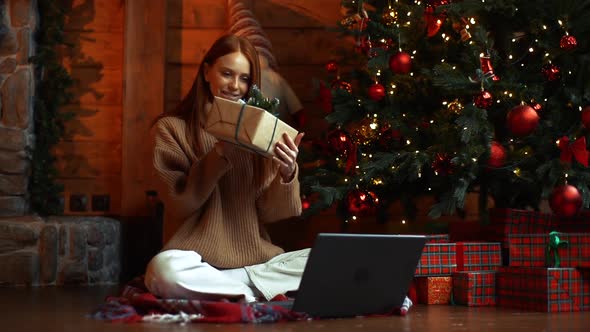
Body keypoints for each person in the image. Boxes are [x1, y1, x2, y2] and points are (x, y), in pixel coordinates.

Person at [145, 34, 308, 303]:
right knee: (162, 271)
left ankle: (234, 289)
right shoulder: (171, 129)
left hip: (255, 264)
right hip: (196, 263)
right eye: (227, 73)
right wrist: (220, 152)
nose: (235, 86)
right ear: (207, 72)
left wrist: (287, 172)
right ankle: (256, 291)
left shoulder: (260, 133)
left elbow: (273, 213)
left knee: (328, 259)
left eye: (244, 79)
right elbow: (179, 204)